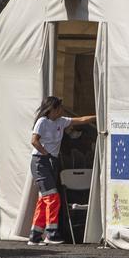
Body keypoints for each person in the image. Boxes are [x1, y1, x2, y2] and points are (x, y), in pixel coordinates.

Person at [29, 95, 96, 245]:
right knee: (53, 197)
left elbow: (82, 120)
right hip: (40, 162)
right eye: (59, 108)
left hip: (52, 161)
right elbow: (34, 141)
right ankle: (51, 233)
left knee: (44, 199)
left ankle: (35, 235)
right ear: (52, 109)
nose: (61, 110)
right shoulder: (42, 122)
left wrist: (98, 116)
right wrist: (46, 154)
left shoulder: (61, 121)